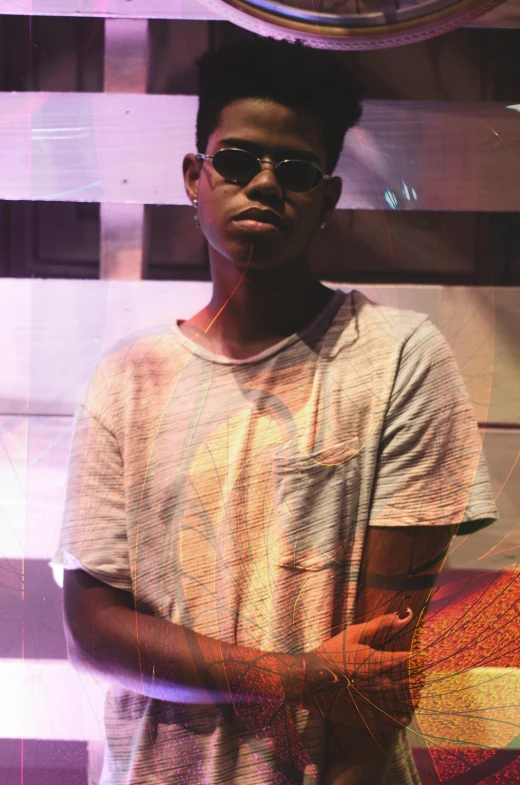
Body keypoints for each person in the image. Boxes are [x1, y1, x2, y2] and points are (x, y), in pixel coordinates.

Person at [52, 36, 498, 785]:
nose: (264, 185)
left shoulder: (398, 359)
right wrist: (292, 674)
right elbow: (93, 631)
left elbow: (374, 675)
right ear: (196, 177)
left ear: (325, 198)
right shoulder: (127, 378)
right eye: (236, 162)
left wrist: (321, 679)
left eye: (293, 170)